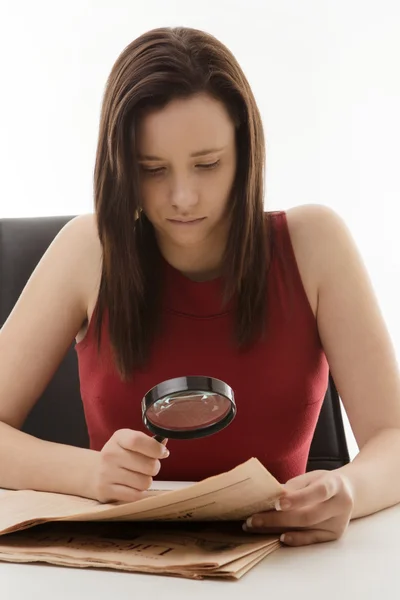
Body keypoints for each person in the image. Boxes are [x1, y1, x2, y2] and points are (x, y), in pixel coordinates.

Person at [1, 26, 400, 549]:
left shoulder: (315, 244)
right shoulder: (89, 248)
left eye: (208, 165)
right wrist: (89, 472)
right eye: (153, 170)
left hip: (283, 563)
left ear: (245, 152)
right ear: (121, 168)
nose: (183, 197)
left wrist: (346, 487)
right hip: (122, 568)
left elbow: (392, 438)